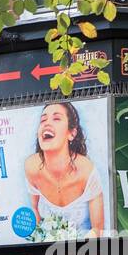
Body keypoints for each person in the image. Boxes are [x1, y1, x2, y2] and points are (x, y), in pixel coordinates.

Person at [25, 102, 104, 237]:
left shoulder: (87, 172)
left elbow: (97, 229)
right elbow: (33, 210)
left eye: (56, 118)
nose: (46, 124)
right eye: (43, 120)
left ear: (71, 133)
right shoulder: (31, 166)